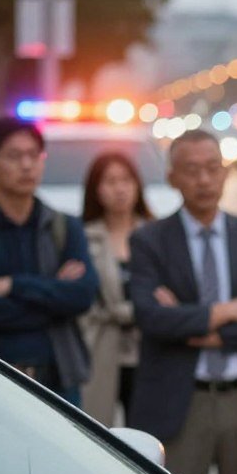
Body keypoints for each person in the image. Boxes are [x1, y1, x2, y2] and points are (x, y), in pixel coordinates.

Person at [129, 129, 237, 474]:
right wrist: (227, 311)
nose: (203, 180)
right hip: (180, 401)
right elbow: (151, 318)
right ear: (172, 178)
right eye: (191, 170)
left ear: (225, 173)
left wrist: (208, 333)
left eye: (212, 169)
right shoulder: (150, 241)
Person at [0, 116, 97, 402]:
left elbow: (83, 296)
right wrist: (52, 296)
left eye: (34, 155)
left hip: (58, 378)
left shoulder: (64, 226)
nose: (26, 165)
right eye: (13, 156)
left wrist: (14, 285)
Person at [78, 151, 153, 426]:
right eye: (110, 182)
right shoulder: (83, 237)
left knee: (148, 438)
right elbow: (81, 296)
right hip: (99, 348)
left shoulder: (155, 234)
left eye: (126, 180)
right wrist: (145, 308)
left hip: (148, 351)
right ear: (95, 189)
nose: (120, 189)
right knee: (98, 434)